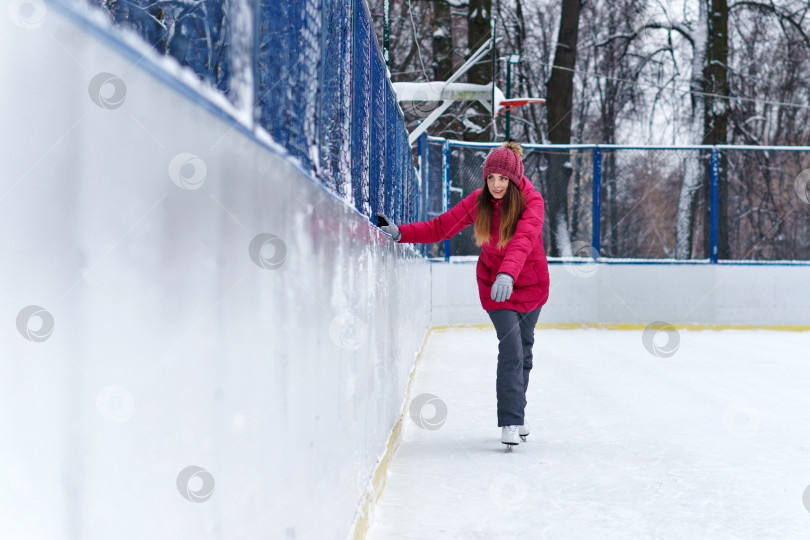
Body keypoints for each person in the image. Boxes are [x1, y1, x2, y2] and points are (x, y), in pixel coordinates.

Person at [378, 141, 550, 448]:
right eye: (491, 178)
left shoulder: (532, 202)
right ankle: (510, 421)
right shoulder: (479, 201)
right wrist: (401, 233)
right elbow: (441, 227)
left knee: (524, 350)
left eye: (502, 179)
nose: (496, 185)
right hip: (495, 288)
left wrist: (509, 273)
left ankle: (518, 412)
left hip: (530, 286)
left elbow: (524, 239)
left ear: (514, 179)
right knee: (511, 348)